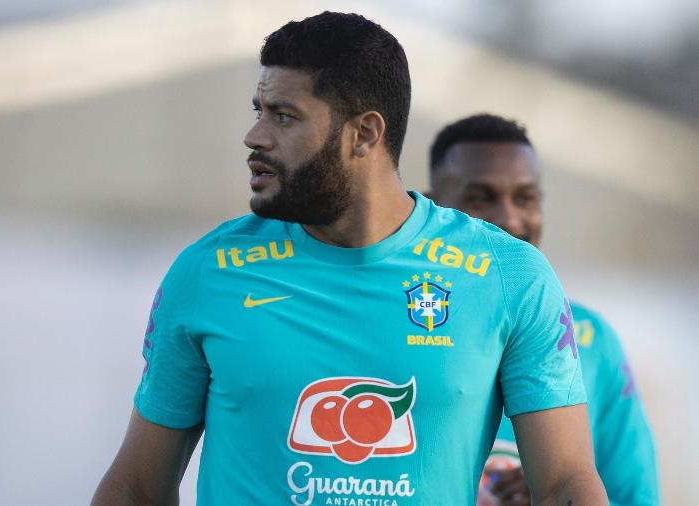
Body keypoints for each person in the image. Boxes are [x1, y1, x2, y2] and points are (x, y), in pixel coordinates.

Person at [93, 13, 607, 505]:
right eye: (260, 112)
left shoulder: (509, 276)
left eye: (285, 117)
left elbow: (564, 484)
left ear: (364, 133)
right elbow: (136, 488)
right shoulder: (207, 272)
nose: (255, 137)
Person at [427, 113, 658, 506]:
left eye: (525, 198)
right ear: (432, 208)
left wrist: (560, 493)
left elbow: (637, 496)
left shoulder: (590, 337)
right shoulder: (409, 316)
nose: (510, 220)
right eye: (480, 198)